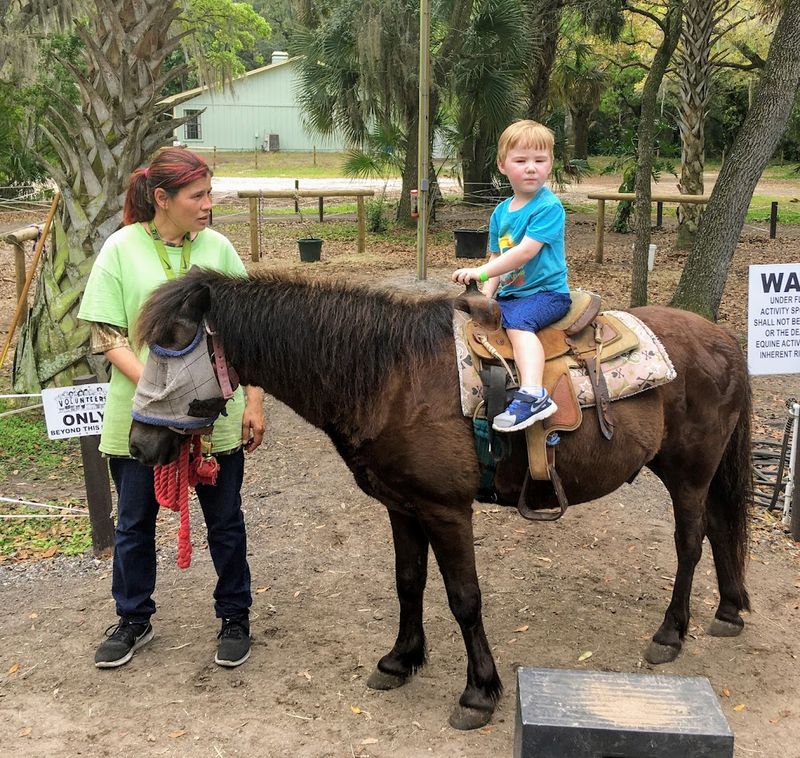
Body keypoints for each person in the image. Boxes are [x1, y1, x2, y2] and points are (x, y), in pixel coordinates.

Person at [78, 148, 265, 669]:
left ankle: (235, 616)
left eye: (209, 194)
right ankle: (133, 618)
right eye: (197, 196)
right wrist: (165, 393)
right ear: (162, 198)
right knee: (133, 523)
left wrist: (253, 400)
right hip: (140, 419)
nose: (208, 205)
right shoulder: (120, 249)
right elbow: (108, 337)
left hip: (214, 418)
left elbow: (248, 334)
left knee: (225, 522)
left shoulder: (219, 249)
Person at [452, 120, 571, 433]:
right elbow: (498, 257)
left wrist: (479, 272)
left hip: (546, 294)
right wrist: (486, 295)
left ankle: (533, 394)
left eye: (540, 160)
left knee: (519, 325)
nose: (531, 168)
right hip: (512, 294)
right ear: (502, 165)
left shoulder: (549, 207)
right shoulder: (501, 212)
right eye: (521, 160)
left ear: (550, 164)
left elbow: (523, 253)